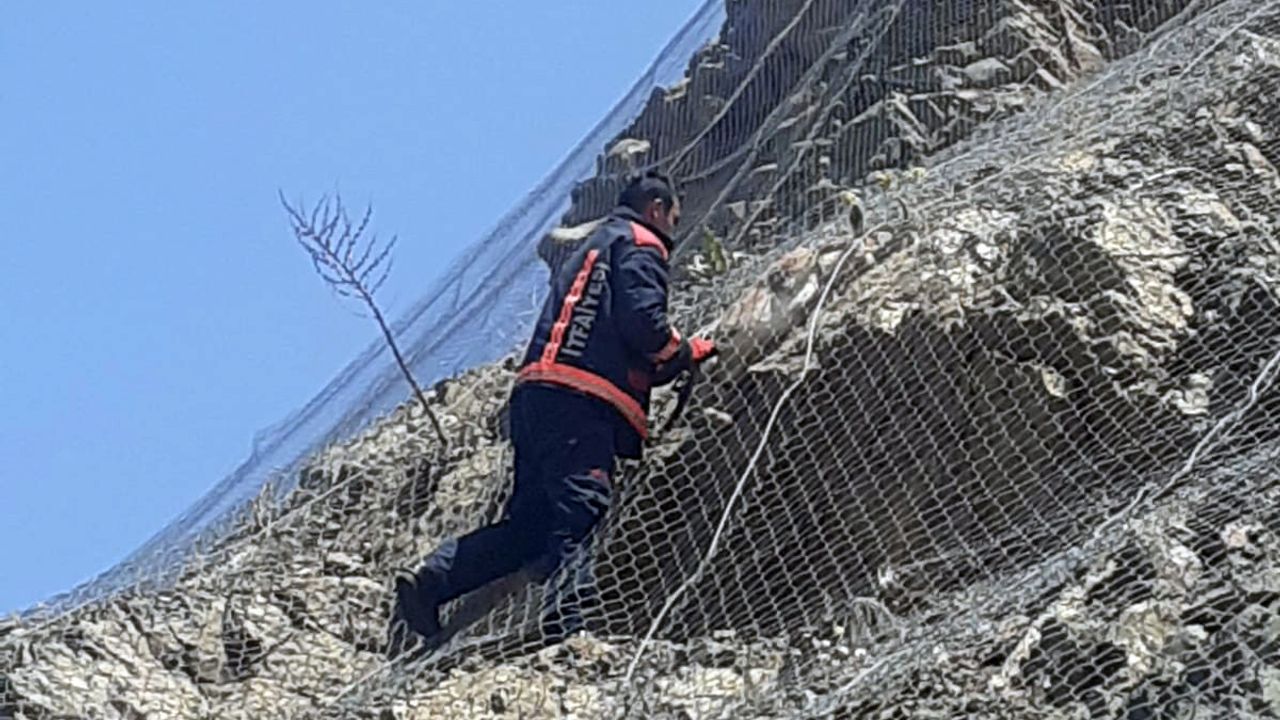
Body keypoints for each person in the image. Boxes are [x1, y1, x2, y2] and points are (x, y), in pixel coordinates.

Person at [388, 170, 716, 657]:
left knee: (531, 526)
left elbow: (601, 324)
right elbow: (645, 325)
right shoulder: (641, 244)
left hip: (537, 393)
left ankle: (433, 580)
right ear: (655, 209)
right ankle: (567, 628)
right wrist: (684, 351)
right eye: (674, 216)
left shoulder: (591, 250)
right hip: (582, 399)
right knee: (582, 506)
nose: (674, 227)